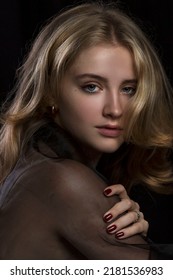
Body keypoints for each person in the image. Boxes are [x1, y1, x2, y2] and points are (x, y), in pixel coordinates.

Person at [0, 1, 170, 259]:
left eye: (128, 89)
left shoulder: (38, 165)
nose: (115, 109)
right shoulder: (64, 181)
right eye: (92, 86)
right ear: (51, 92)